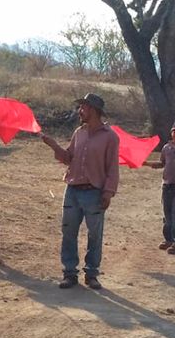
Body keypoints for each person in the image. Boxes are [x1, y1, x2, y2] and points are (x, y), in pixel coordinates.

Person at [41, 93, 119, 290]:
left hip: (94, 192)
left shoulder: (110, 137)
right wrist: (53, 145)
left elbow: (112, 168)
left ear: (93, 110)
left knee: (95, 235)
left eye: (82, 107)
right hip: (73, 190)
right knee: (68, 232)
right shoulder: (79, 133)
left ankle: (92, 273)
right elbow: (69, 158)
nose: (79, 111)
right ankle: (70, 273)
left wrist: (108, 192)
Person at [144, 120, 175, 254]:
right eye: (174, 131)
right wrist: (147, 163)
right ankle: (168, 239)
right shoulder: (166, 148)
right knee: (167, 214)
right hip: (167, 186)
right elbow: (162, 163)